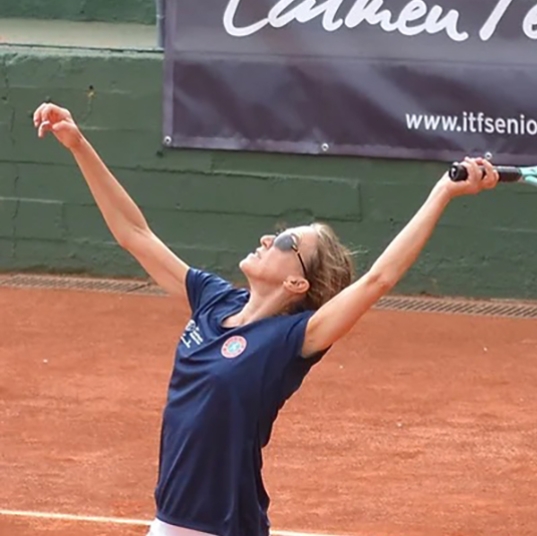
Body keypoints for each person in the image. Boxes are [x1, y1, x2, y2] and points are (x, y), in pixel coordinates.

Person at [32, 101, 500, 536]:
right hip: (170, 521)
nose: (266, 240)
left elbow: (379, 279)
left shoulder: (291, 339)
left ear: (299, 284)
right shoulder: (214, 301)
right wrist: (79, 144)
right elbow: (134, 233)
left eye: (285, 243)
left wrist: (442, 193)